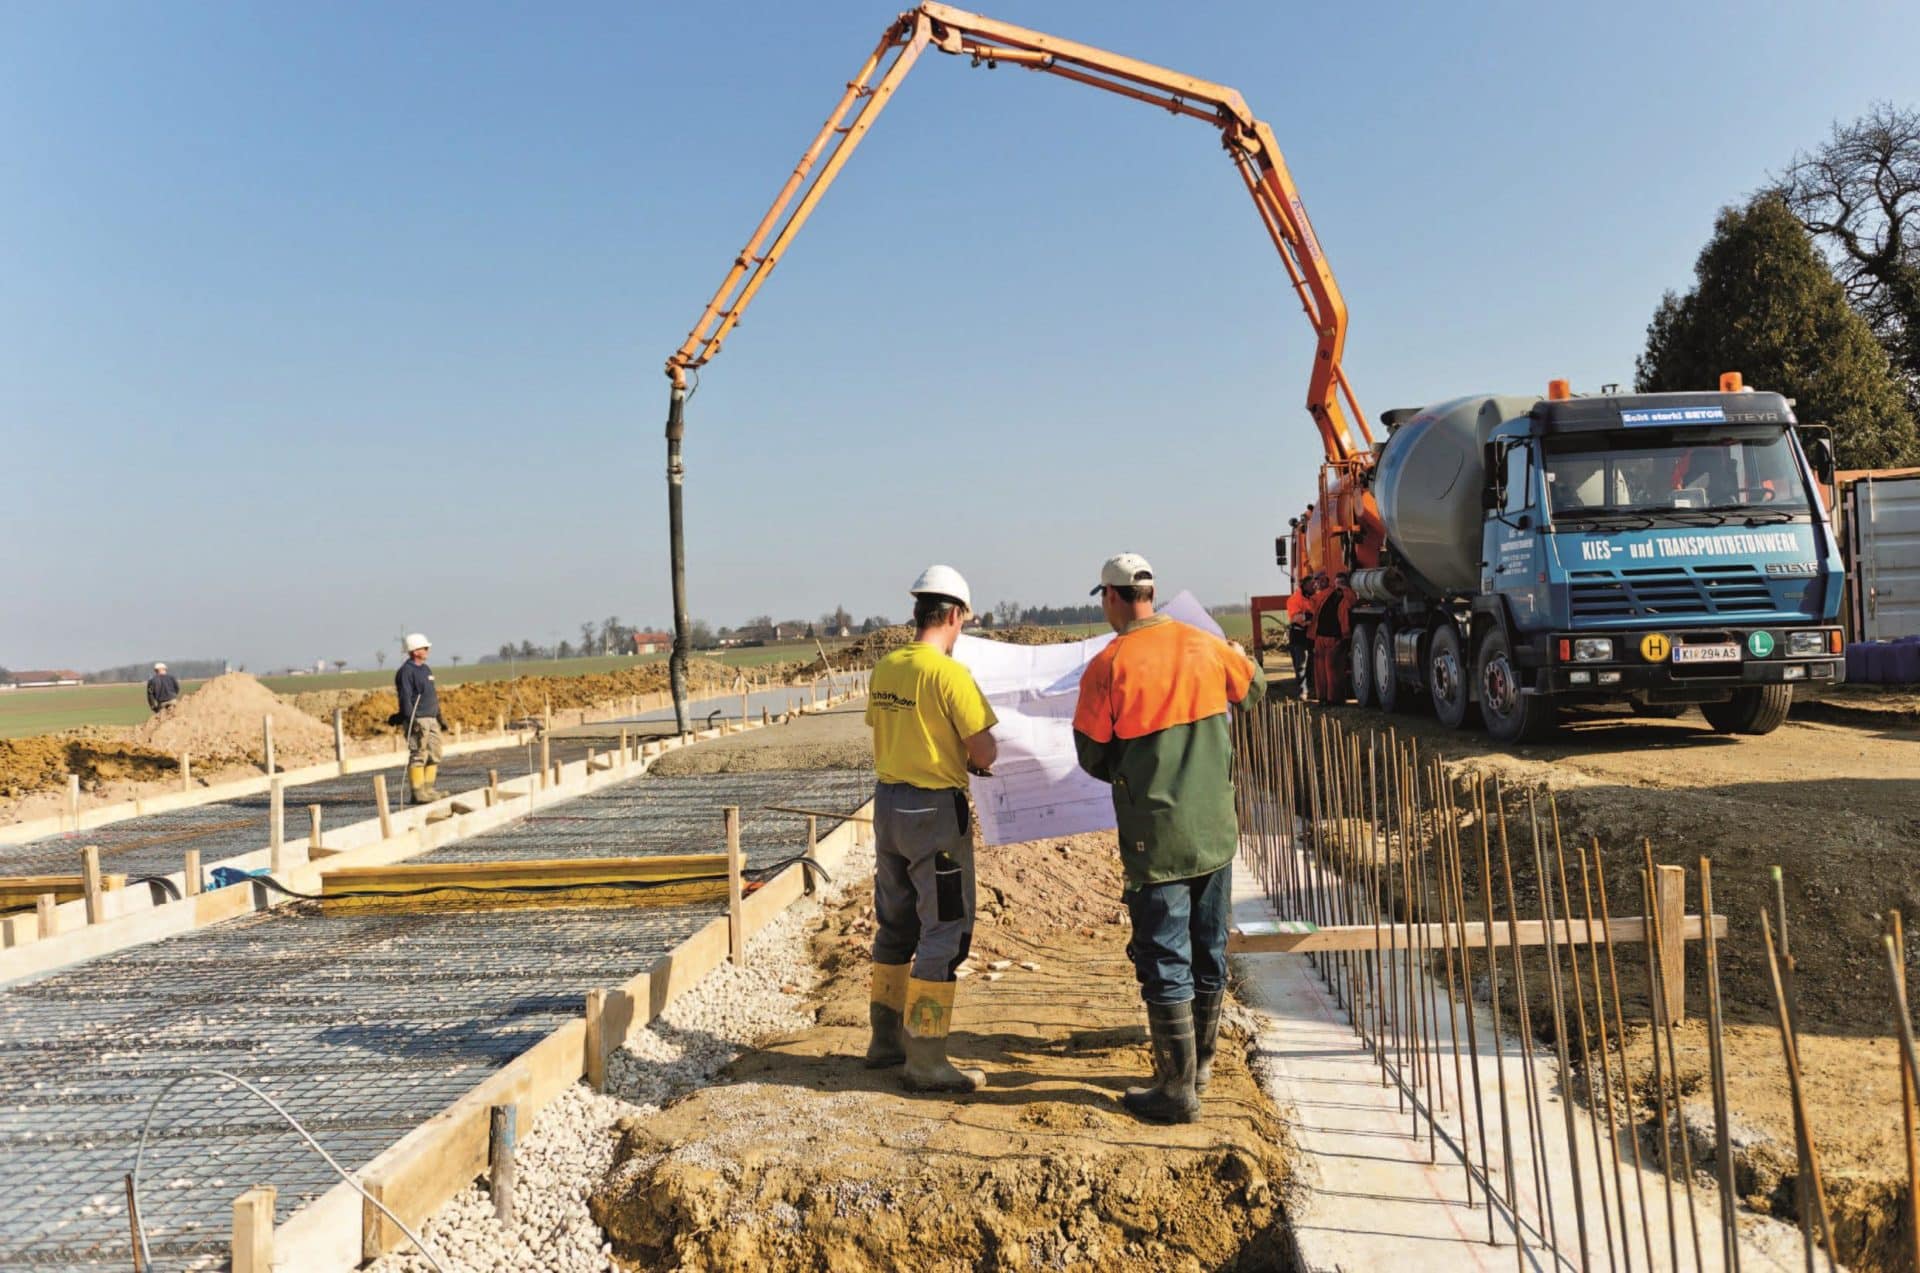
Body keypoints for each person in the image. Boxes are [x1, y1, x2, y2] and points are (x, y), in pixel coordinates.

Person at [1072, 552, 1265, 1123]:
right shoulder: (1205, 644)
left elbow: (1091, 755)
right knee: (1210, 948)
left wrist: (1139, 778)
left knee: (1165, 957)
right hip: (1214, 831)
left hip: (1155, 840)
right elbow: (1253, 693)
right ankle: (1200, 1064)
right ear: (1149, 595)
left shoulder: (1109, 665)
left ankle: (1177, 1089)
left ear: (1111, 598)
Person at [863, 565, 998, 1093]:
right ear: (956, 615)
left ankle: (885, 1041)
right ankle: (925, 1057)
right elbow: (983, 750)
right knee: (944, 929)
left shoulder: (887, 667)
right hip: (933, 816)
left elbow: (888, 729)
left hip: (888, 807)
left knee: (895, 923)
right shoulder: (948, 674)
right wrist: (977, 758)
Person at [395, 634, 446, 802]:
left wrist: (440, 717)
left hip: (431, 718)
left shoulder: (426, 669)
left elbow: (432, 695)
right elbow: (405, 698)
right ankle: (417, 793)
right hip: (418, 719)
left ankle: (428, 789)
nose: (427, 650)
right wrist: (411, 719)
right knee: (418, 754)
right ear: (415, 651)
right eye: (425, 648)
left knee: (434, 754)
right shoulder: (406, 672)